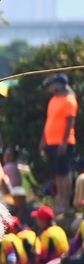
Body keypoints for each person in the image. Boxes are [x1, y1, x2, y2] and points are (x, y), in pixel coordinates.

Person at [41, 73, 77, 215]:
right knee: (57, 173)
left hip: (64, 142)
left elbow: (70, 123)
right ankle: (60, 201)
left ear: (60, 84)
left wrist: (63, 142)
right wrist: (43, 141)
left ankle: (64, 202)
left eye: (53, 83)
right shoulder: (53, 100)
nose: (50, 86)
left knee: (64, 172)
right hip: (51, 141)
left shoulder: (69, 100)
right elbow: (48, 121)